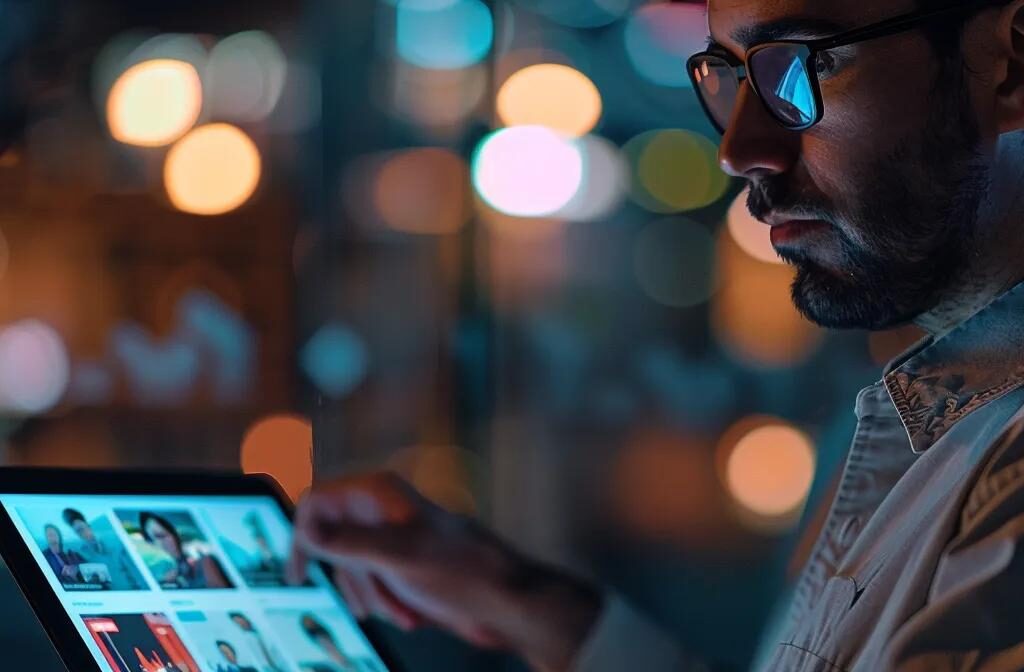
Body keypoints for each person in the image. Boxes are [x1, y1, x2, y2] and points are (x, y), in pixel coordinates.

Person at [288, 0, 1024, 670]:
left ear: (1012, 61)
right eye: (729, 76)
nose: (739, 148)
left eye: (804, 64)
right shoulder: (940, 415)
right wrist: (517, 598)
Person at [139, 512, 232, 589]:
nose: (157, 544)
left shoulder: (204, 563)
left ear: (175, 535)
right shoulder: (158, 575)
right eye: (150, 540)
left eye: (161, 535)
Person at [62, 508, 144, 591]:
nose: (83, 534)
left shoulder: (113, 542)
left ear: (88, 527)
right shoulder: (82, 553)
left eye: (82, 529)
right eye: (78, 532)